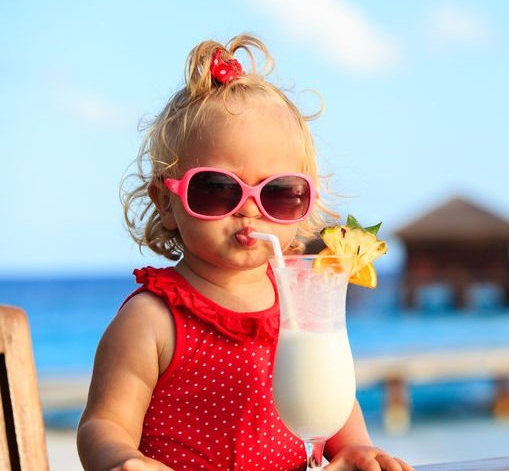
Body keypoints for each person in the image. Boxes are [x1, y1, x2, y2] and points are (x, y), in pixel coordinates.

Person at [76, 34, 413, 471]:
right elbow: (102, 425)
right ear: (167, 202)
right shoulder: (151, 319)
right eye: (217, 189)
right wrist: (122, 459)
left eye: (278, 193)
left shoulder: (300, 298)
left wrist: (355, 447)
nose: (249, 210)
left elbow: (327, 392)